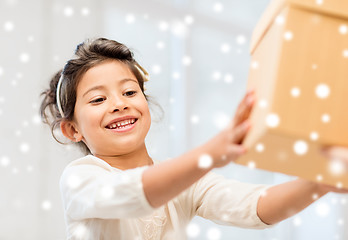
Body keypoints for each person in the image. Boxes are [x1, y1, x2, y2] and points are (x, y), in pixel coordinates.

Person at [40, 38, 347, 240]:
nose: (119, 104)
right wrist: (211, 153)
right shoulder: (80, 178)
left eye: (130, 92)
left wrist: (317, 183)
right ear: (72, 130)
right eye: (97, 100)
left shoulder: (184, 179)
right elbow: (133, 193)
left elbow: (255, 206)